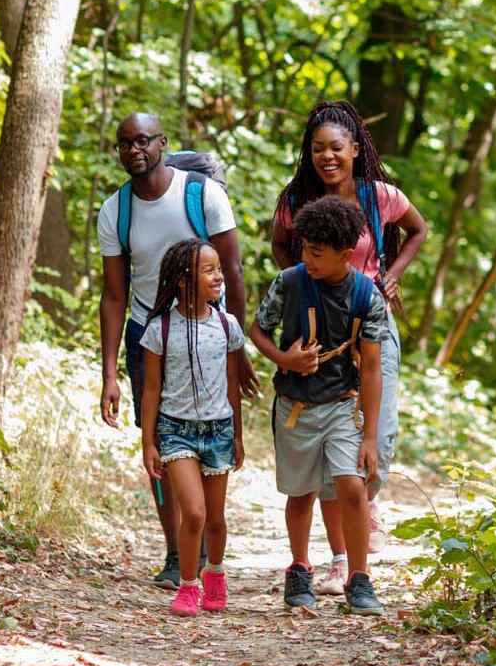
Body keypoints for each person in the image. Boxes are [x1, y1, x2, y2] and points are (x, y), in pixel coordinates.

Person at [269, 101, 429, 595]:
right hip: (320, 329)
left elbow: (419, 229)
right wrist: (301, 284)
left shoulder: (379, 196)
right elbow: (280, 245)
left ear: (355, 149)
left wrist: (392, 275)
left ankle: (365, 500)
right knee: (329, 439)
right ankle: (342, 560)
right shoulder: (296, 199)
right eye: (318, 148)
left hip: (371, 321)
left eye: (336, 147)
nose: (327, 157)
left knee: (379, 435)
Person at [97, 113, 258, 588]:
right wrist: (109, 375)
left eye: (142, 141)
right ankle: (175, 552)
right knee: (159, 439)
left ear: (162, 142)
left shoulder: (202, 195)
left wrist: (238, 347)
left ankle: (203, 542)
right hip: (150, 334)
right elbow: (114, 295)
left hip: (208, 331)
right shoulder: (116, 210)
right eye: (124, 144)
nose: (134, 151)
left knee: (209, 430)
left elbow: (232, 271)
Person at [248, 196, 391, 615]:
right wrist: (285, 360)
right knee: (301, 493)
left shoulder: (366, 296)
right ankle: (299, 567)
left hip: (342, 405)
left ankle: (359, 577)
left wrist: (370, 436)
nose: (307, 259)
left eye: (316, 252)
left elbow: (372, 369)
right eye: (305, 249)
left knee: (352, 485)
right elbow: (257, 330)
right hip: (296, 406)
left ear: (345, 254)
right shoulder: (289, 282)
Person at [138, 239, 246, 616]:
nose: (219, 276)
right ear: (184, 279)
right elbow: (151, 390)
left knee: (215, 519)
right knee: (195, 513)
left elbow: (232, 384)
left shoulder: (227, 326)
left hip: (218, 430)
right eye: (209, 270)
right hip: (175, 431)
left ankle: (215, 573)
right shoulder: (160, 329)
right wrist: (148, 442)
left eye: (219, 269)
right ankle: (188, 586)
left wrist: (237, 435)